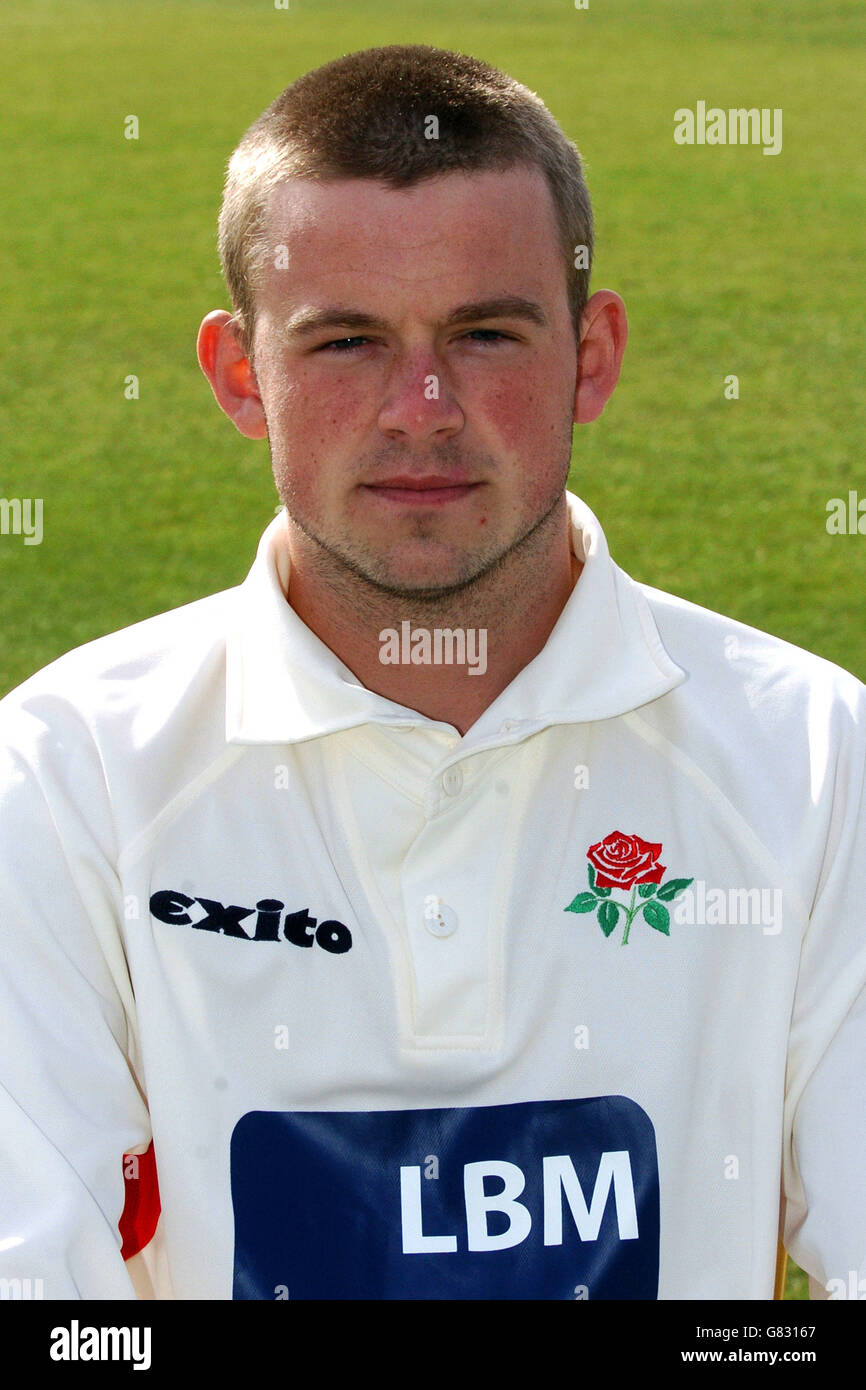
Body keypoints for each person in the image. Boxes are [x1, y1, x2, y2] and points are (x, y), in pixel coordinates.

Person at [0, 43, 863, 1302]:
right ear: (242, 376)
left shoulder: (817, 760)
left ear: (591, 355)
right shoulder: (62, 776)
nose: (420, 407)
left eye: (485, 334)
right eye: (344, 342)